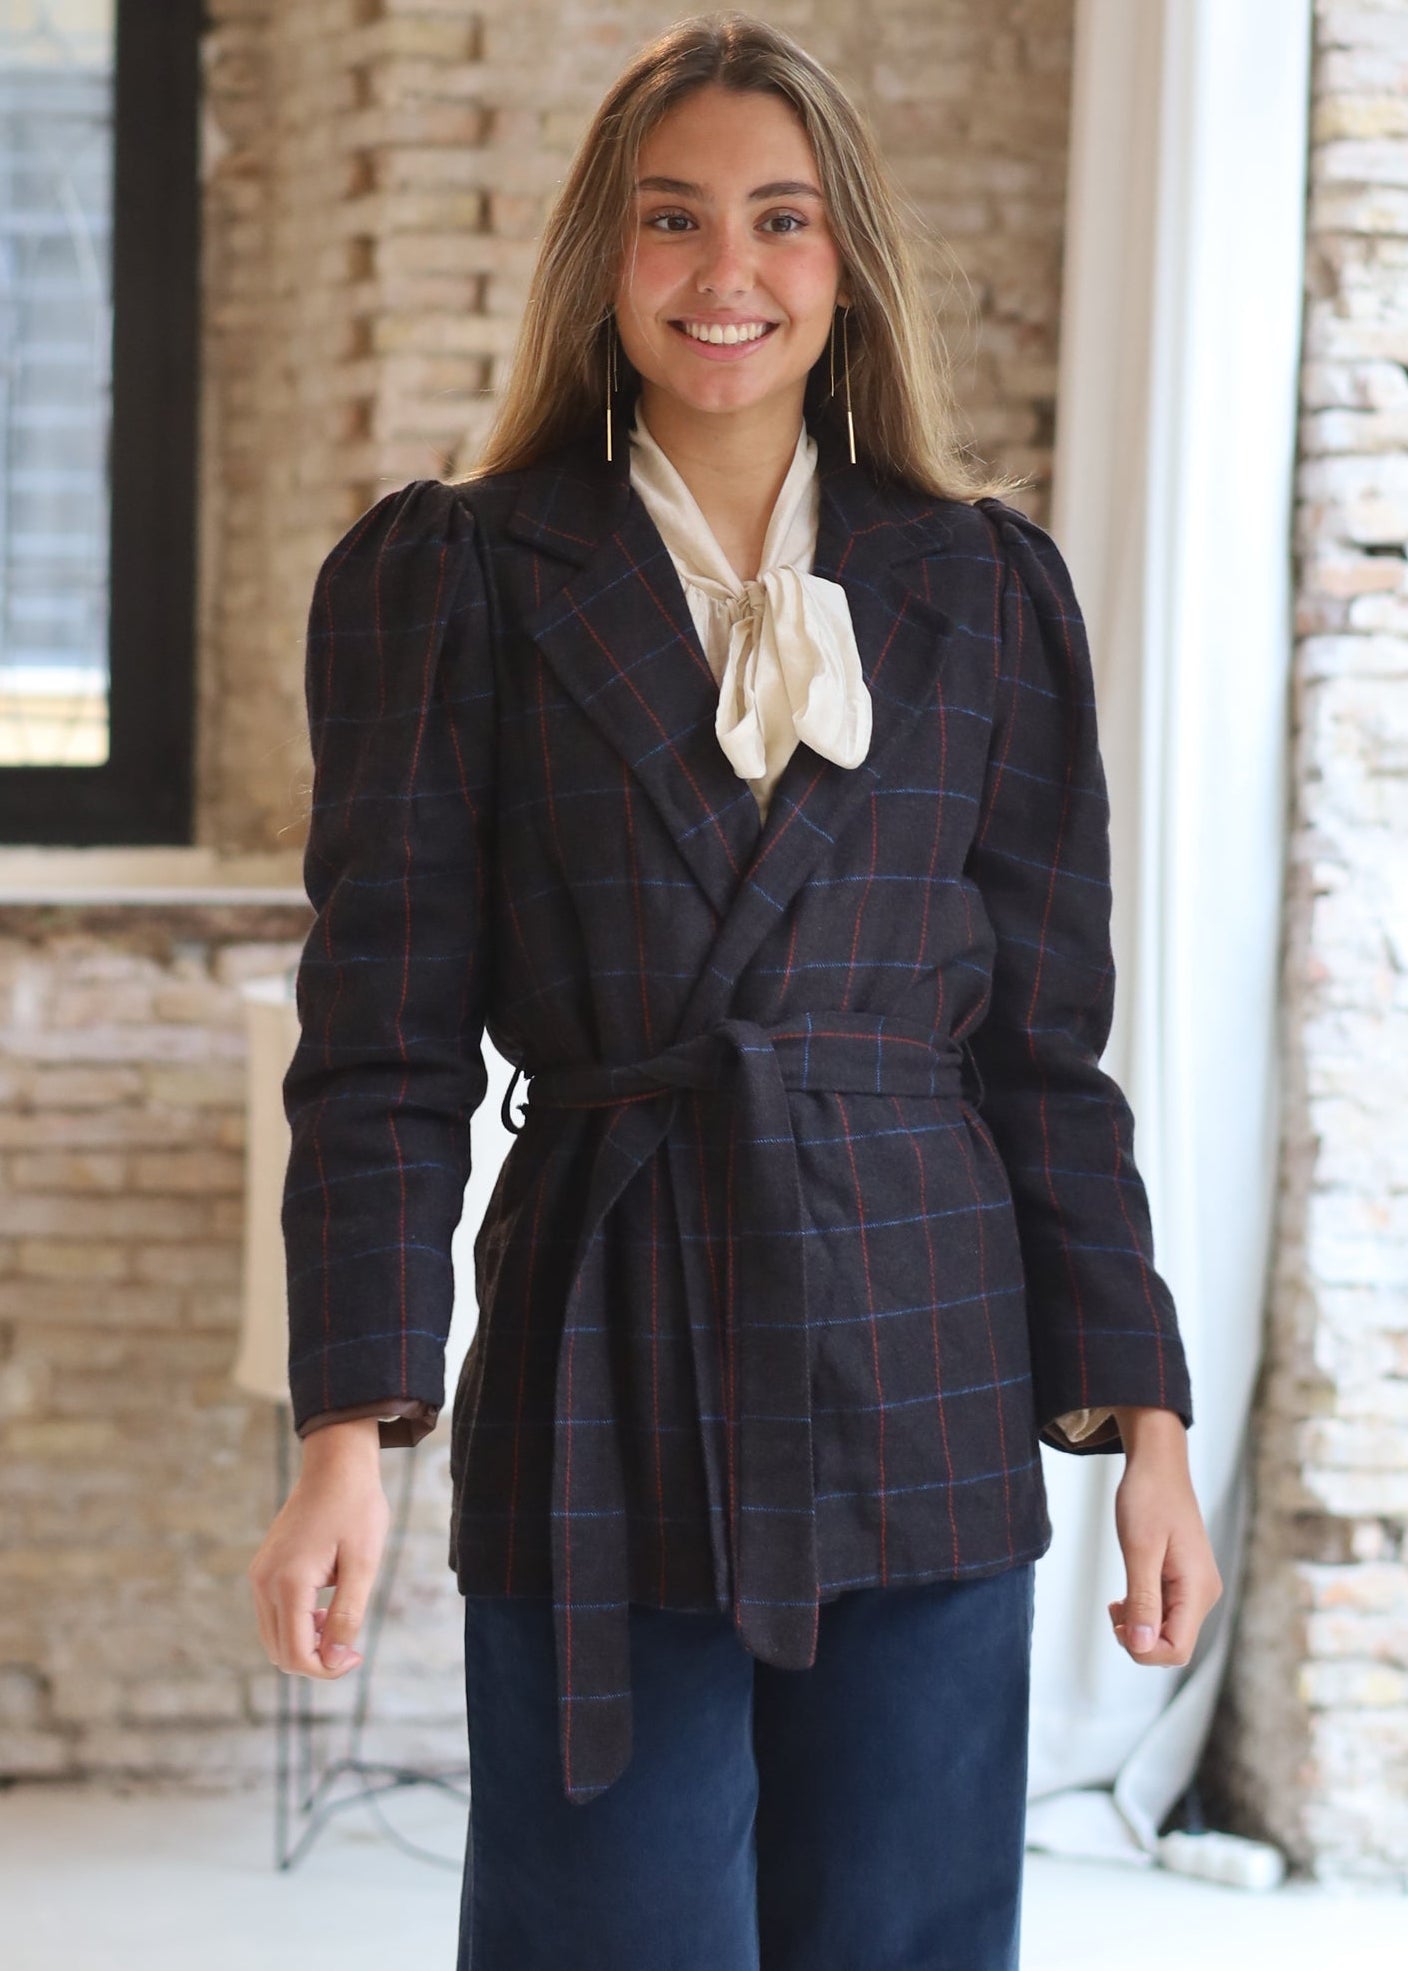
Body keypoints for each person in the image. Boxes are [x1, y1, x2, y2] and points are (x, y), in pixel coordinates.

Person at [248, 13, 1222, 1968]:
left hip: (921, 1354)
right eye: (671, 217)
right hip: (604, 1344)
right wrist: (345, 1425)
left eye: (779, 219)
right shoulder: (456, 579)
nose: (725, 271)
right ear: (601, 260)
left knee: (899, 1934)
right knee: (606, 1929)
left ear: (842, 260)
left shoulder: (983, 589)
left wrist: (1148, 1425)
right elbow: (379, 1043)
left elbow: (1045, 1053)